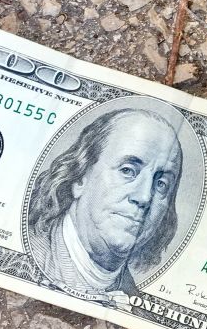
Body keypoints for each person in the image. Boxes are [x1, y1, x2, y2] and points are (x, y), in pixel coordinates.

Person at [28, 108, 182, 297]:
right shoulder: (26, 259)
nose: (144, 197)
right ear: (80, 177)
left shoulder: (134, 302)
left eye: (161, 184)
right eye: (127, 170)